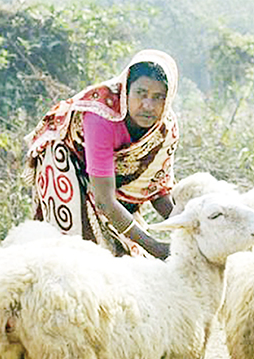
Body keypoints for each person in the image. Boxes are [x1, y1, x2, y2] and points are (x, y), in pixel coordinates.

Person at [22, 49, 179, 259]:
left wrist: (191, 229)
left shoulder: (164, 129)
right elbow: (104, 200)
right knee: (81, 249)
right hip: (66, 158)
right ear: (126, 90)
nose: (148, 105)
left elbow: (158, 190)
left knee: (124, 255)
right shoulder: (101, 117)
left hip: (105, 178)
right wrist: (156, 247)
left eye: (158, 97)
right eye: (141, 93)